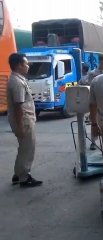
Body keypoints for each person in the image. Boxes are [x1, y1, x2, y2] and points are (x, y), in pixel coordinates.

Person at [7, 53, 42, 187]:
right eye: (26, 63)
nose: (28, 66)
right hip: (24, 119)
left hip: (24, 119)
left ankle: (18, 173)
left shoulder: (18, 79)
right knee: (28, 148)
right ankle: (24, 177)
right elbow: (18, 106)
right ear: (18, 65)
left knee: (23, 147)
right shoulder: (17, 82)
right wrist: (20, 125)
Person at [87, 54, 103, 150]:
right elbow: (90, 87)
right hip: (96, 101)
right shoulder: (93, 74)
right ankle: (93, 141)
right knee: (95, 121)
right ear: (101, 62)